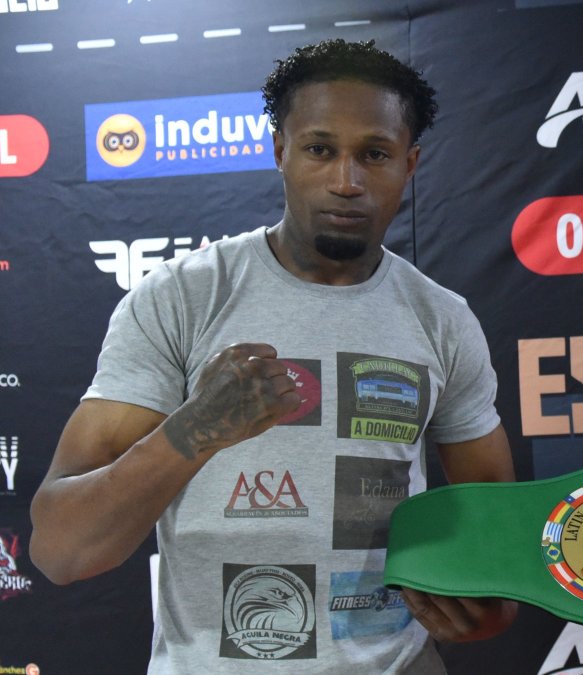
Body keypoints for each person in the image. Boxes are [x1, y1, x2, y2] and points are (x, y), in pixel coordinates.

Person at [30, 39, 516, 673]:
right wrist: (195, 430)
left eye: (374, 154)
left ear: (410, 163)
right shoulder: (182, 297)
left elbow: (495, 526)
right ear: (280, 150)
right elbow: (63, 551)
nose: (347, 181)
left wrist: (492, 606)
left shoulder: (442, 319)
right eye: (320, 149)